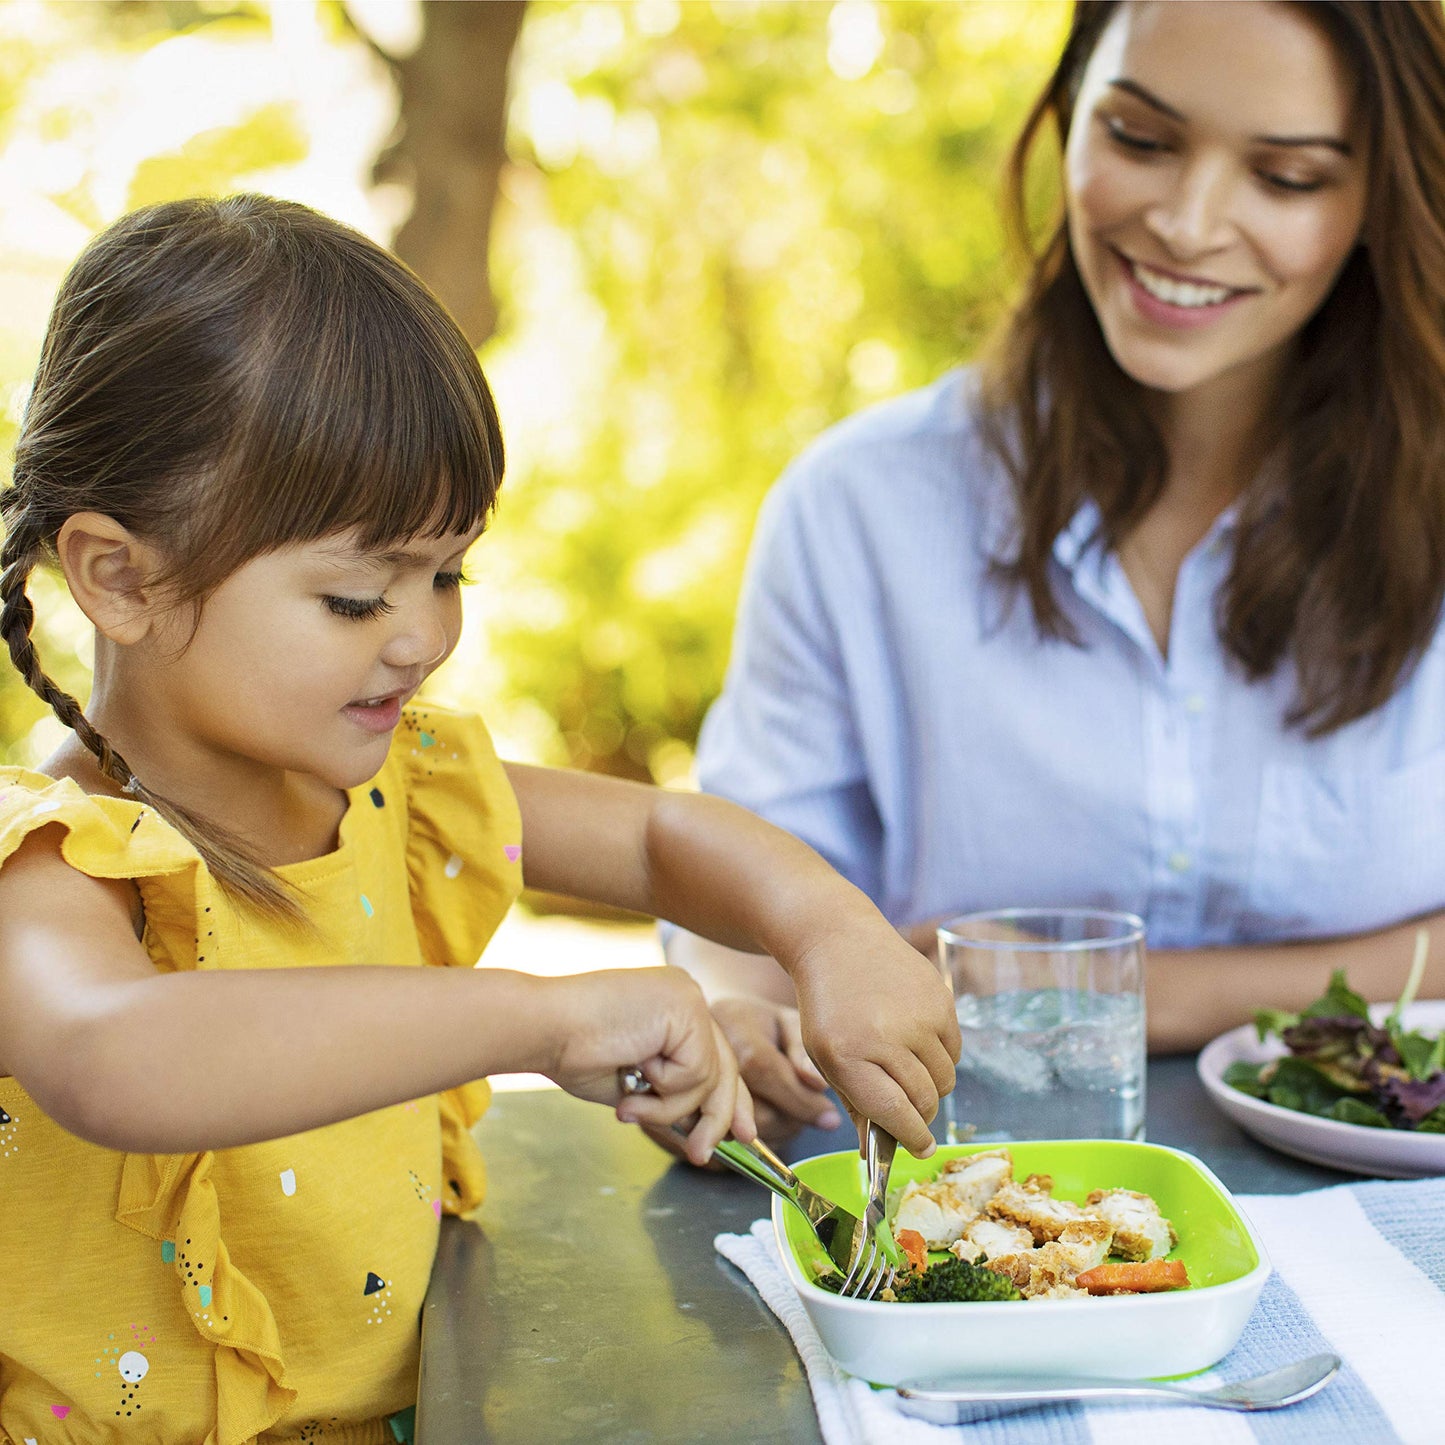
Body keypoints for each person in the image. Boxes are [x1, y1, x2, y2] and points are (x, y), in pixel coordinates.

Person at [0, 196, 959, 1444]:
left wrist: (832, 932)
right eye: (356, 596)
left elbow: (657, 839)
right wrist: (545, 1018)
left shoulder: (395, 785)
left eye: (448, 573)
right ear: (120, 576)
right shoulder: (53, 862)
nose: (423, 635)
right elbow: (117, 1056)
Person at [666, 0, 1445, 1147]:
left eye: (1283, 176)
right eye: (1139, 137)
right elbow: (734, 904)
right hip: (963, 1181)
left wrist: (1117, 988)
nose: (1184, 223)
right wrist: (730, 1010)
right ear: (1069, 110)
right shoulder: (859, 508)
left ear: (1382, 194)